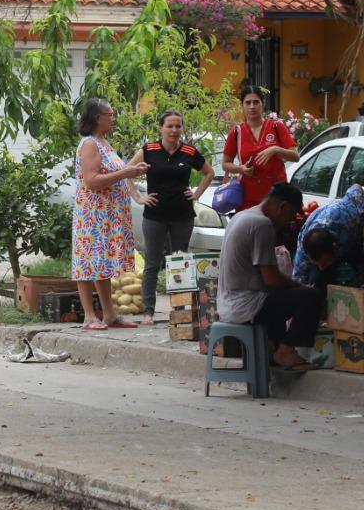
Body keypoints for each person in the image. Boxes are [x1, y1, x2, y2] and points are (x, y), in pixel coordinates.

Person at [216, 182, 325, 371]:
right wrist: (300, 287)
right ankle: (286, 351)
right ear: (283, 207)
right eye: (290, 215)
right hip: (246, 305)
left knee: (279, 298)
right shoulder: (261, 224)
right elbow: (271, 278)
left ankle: (273, 349)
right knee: (312, 296)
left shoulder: (242, 215)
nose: (288, 221)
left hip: (228, 303)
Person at [127, 110, 214, 322]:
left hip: (182, 215)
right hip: (154, 215)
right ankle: (148, 311)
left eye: (178, 126)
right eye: (170, 126)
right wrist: (138, 198)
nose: (174, 130)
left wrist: (196, 194)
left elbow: (209, 173)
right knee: (152, 263)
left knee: (180, 261)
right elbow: (127, 171)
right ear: (161, 128)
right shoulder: (149, 150)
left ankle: (181, 310)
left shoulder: (189, 151)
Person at [71, 97, 147, 331]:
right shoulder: (90, 144)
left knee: (101, 265)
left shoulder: (104, 142)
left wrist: (129, 171)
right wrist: (126, 173)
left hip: (106, 217)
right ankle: (88, 316)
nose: (113, 118)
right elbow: (92, 180)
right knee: (87, 263)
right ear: (97, 117)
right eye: (109, 115)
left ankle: (109, 314)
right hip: (93, 215)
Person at [221, 84, 297, 212]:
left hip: (276, 197)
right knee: (249, 231)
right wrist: (241, 169)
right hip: (247, 198)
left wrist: (275, 149)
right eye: (248, 103)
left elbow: (295, 156)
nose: (252, 107)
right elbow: (225, 164)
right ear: (242, 105)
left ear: (263, 103)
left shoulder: (276, 127)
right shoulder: (236, 132)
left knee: (274, 231)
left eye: (256, 102)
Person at [292, 183, 364, 288]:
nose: (321, 267)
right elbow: (298, 281)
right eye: (317, 263)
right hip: (332, 244)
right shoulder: (303, 252)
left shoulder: (348, 215)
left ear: (334, 247)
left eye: (324, 263)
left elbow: (356, 188)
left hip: (351, 237)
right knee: (316, 284)